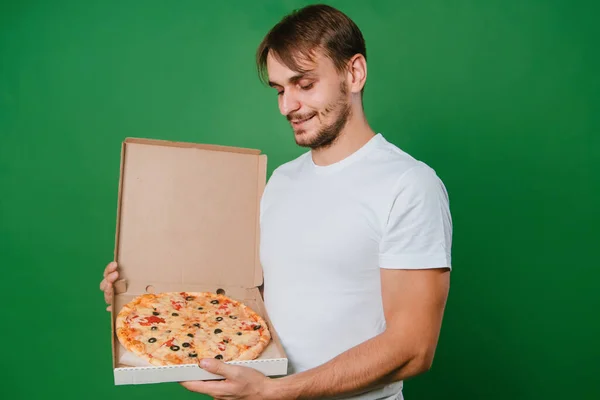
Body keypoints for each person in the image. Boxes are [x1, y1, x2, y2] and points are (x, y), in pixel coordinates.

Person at [100, 4, 452, 399]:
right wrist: (150, 306)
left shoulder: (408, 184)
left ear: (354, 73)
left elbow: (414, 348)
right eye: (280, 89)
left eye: (304, 84)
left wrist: (277, 392)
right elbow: (253, 303)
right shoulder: (281, 181)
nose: (287, 106)